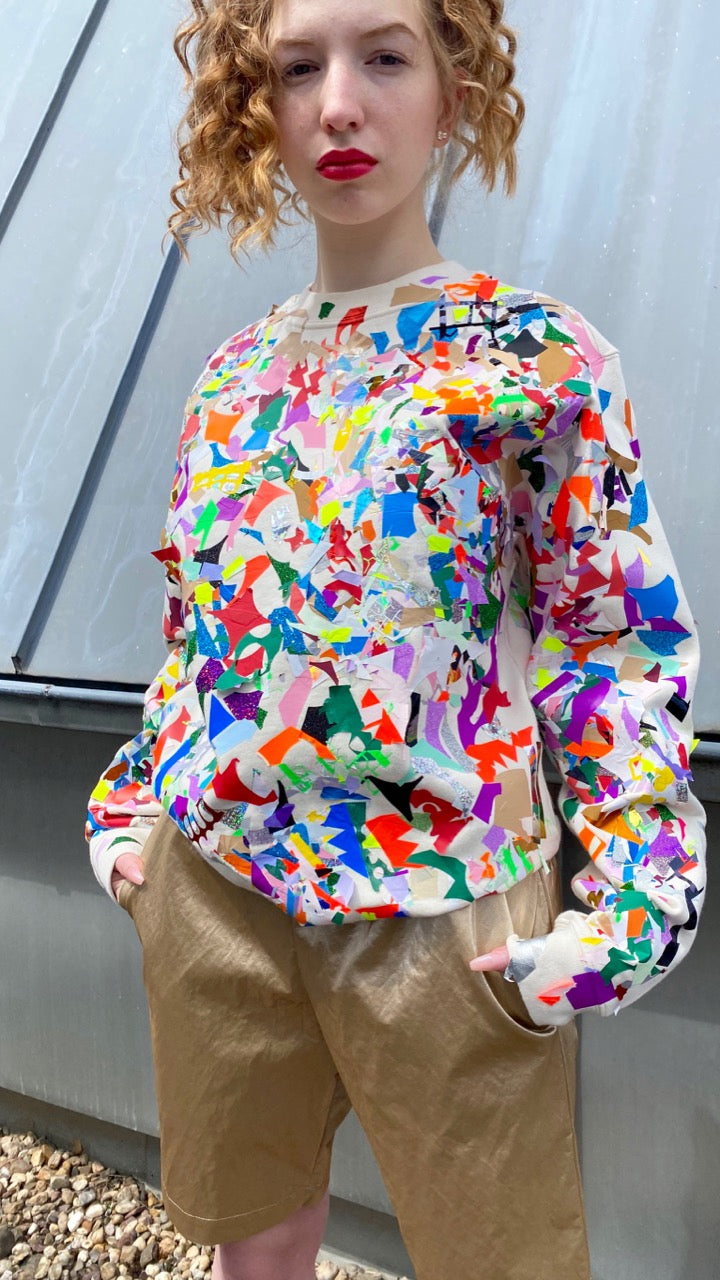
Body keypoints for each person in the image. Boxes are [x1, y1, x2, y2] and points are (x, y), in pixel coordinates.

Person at [85, 2, 706, 1277]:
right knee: (253, 1239)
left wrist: (635, 893)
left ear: (453, 94)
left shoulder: (539, 360)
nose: (339, 104)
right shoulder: (232, 379)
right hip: (221, 886)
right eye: (297, 67)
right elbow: (201, 630)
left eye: (384, 56)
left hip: (452, 905)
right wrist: (136, 809)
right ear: (258, 105)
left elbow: (611, 639)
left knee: (499, 1256)